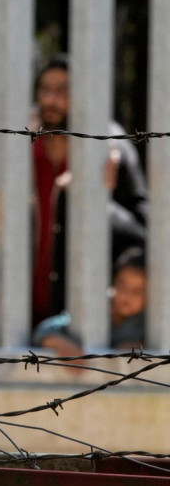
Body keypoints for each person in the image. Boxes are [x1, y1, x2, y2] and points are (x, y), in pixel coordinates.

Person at [31, 55, 148, 326]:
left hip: (85, 319)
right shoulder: (20, 145)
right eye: (45, 90)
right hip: (17, 312)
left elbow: (143, 232)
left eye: (62, 91)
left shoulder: (111, 148)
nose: (50, 100)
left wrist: (97, 198)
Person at [33, 247, 146, 357]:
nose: (127, 295)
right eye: (122, 285)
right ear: (113, 281)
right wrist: (61, 345)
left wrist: (143, 347)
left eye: (138, 291)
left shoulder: (148, 322)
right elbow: (45, 329)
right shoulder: (95, 306)